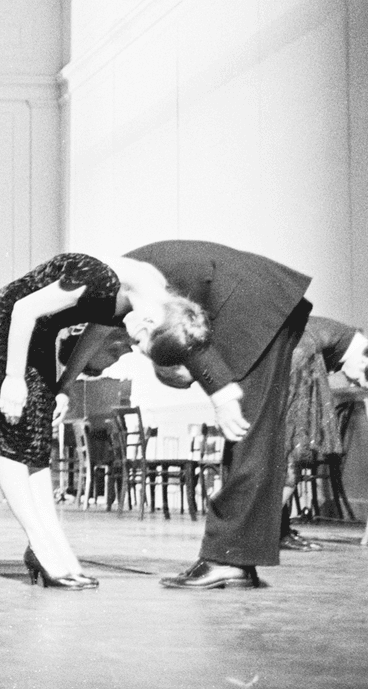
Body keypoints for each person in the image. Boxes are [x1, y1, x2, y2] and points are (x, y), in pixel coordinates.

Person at [66, 241, 313, 590]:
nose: (124, 353)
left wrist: (221, 392)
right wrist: (66, 382)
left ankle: (228, 560)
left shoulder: (122, 289)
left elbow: (178, 328)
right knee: (247, 435)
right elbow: (94, 334)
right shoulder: (115, 297)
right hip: (256, 301)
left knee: (249, 431)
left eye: (108, 358)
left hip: (253, 305)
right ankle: (234, 557)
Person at [0, 253, 208, 589]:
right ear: (150, 324)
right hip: (5, 325)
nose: (133, 347)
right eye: (140, 344)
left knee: (37, 440)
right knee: (13, 429)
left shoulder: (148, 295)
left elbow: (98, 329)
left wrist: (65, 384)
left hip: (39, 331)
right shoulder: (100, 278)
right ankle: (41, 545)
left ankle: (55, 548)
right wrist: (12, 378)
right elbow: (23, 309)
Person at [273, 317, 368, 550]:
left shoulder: (343, 342)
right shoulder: (319, 340)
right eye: (360, 381)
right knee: (291, 458)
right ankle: (264, 532)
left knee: (292, 457)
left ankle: (276, 531)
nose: (353, 385)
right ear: (363, 362)